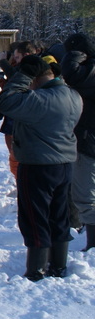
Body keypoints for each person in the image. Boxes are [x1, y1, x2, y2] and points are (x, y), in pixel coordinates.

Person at [0, 55, 83, 280]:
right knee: (59, 216)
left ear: (35, 79)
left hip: (37, 165)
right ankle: (58, 265)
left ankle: (36, 269)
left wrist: (22, 77)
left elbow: (7, 102)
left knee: (35, 218)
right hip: (64, 164)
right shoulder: (73, 95)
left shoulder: (41, 99)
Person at [61, 32, 95, 251]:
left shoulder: (88, 72)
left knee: (85, 196)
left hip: (88, 141)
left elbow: (72, 74)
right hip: (87, 138)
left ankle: (93, 246)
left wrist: (74, 55)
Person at [0, 41, 40, 177]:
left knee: (17, 155)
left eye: (17, 57)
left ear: (25, 55)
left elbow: (16, 78)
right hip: (17, 120)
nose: (15, 60)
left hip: (20, 120)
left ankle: (21, 179)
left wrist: (3, 63)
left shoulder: (31, 70)